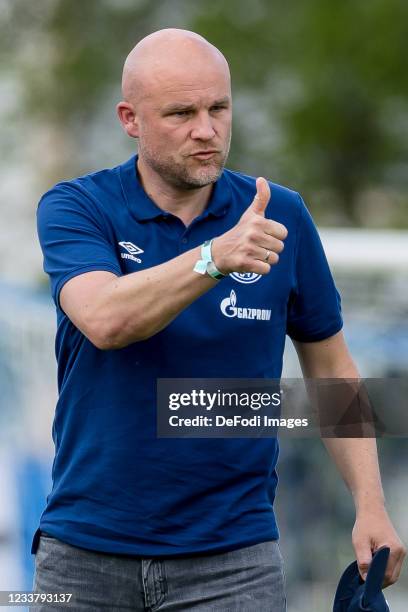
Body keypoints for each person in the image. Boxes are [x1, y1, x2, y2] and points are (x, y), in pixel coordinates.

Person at [32, 28, 405, 611]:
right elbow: (104, 318)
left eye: (218, 108)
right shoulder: (78, 206)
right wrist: (213, 258)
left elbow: (331, 367)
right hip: (83, 555)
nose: (206, 130)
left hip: (234, 562)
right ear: (130, 119)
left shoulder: (280, 213)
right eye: (181, 113)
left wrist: (371, 504)